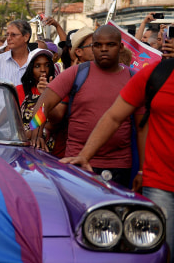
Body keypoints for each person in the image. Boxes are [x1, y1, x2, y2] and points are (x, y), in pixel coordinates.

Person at [60, 49, 174, 261]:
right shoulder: (157, 74)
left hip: (132, 168)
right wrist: (85, 155)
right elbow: (114, 116)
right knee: (157, 254)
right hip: (161, 185)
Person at [31, 25, 142, 187]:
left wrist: (142, 170)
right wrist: (36, 132)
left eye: (110, 44)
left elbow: (142, 128)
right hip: (75, 161)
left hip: (119, 166)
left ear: (121, 47)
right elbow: (44, 104)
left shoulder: (134, 78)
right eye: (97, 45)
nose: (104, 49)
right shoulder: (76, 73)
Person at [15, 49, 59, 144]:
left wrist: (45, 96)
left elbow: (54, 122)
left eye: (47, 65)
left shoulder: (59, 90)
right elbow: (10, 121)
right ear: (30, 69)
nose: (43, 70)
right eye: (37, 66)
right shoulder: (19, 90)